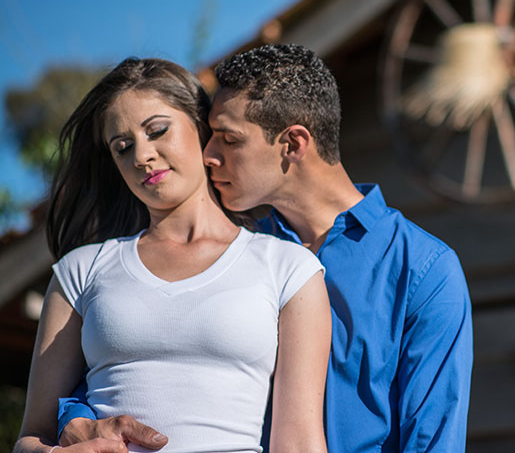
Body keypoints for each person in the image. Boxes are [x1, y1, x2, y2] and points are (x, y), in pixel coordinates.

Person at [59, 44, 474, 452]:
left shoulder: (422, 269)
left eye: (228, 139)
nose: (208, 155)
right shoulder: (237, 252)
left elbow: (433, 439)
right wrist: (72, 418)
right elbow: (110, 371)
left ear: (293, 144)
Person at [15, 58, 331, 453]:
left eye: (158, 130)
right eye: (123, 147)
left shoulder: (289, 268)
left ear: (202, 129)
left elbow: (300, 442)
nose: (141, 156)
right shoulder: (81, 270)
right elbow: (31, 438)